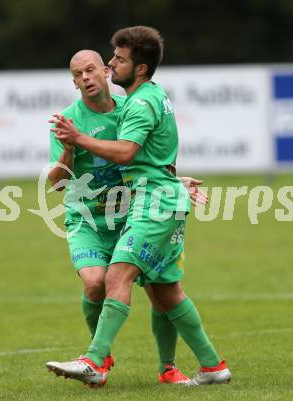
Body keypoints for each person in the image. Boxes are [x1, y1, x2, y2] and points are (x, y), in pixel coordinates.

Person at [47, 26, 231, 387]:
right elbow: (147, 158)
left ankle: (96, 362)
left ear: (139, 68)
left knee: (118, 277)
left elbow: (129, 153)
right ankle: (212, 366)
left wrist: (79, 138)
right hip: (143, 201)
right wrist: (173, 180)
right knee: (165, 291)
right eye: (111, 58)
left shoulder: (140, 102)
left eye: (117, 59)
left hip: (152, 203)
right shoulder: (151, 96)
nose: (112, 64)